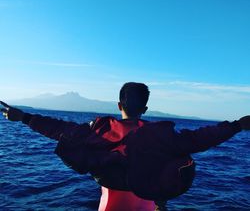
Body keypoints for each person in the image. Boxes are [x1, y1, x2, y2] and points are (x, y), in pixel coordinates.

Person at [1, 82, 250, 211]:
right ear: (145, 109)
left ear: (119, 104)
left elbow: (59, 130)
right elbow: (202, 137)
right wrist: (238, 125)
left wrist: (24, 117)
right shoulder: (161, 137)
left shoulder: (99, 132)